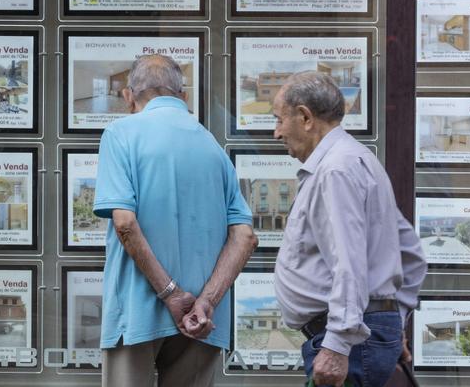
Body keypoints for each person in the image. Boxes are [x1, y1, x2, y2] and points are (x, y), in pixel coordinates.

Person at [93, 54, 258, 387]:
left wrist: (170, 294)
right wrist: (206, 301)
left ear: (128, 97)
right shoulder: (212, 146)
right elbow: (245, 237)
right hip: (201, 321)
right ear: (183, 97)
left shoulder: (121, 133)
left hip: (137, 315)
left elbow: (124, 223)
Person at [272, 71, 427, 387]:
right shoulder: (357, 158)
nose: (276, 133)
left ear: (305, 117)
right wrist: (392, 322)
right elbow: (411, 253)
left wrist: (339, 344)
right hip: (362, 334)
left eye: (278, 120)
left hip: (349, 342)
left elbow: (348, 262)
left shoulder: (335, 170)